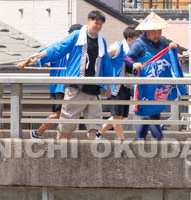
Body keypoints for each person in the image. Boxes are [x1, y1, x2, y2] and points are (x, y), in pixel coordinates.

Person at [17, 11, 118, 140]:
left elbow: (106, 63)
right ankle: (60, 151)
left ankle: (96, 153)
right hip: (76, 87)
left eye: (100, 25)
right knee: (67, 124)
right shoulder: (76, 36)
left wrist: (109, 85)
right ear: (89, 20)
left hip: (94, 89)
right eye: (96, 23)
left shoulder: (101, 41)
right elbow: (59, 48)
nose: (98, 27)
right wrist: (37, 57)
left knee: (95, 124)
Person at [126, 12, 184, 141]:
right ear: (147, 31)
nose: (157, 35)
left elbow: (170, 53)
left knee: (149, 114)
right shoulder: (139, 44)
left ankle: (140, 141)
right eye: (154, 32)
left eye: (159, 32)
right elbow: (126, 58)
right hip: (144, 86)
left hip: (158, 86)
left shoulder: (163, 42)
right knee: (150, 114)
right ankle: (159, 141)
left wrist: (173, 47)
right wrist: (134, 64)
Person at [29, 23, 83, 140]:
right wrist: (30, 60)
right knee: (59, 115)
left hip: (73, 87)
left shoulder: (82, 50)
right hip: (59, 87)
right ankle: (38, 133)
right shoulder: (60, 46)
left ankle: (60, 141)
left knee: (67, 117)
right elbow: (40, 55)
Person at [101, 26, 139, 141]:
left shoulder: (132, 52)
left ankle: (98, 133)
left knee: (120, 116)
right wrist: (106, 77)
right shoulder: (118, 47)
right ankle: (122, 140)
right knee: (117, 116)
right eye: (137, 40)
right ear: (129, 39)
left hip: (126, 86)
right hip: (116, 86)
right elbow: (104, 58)